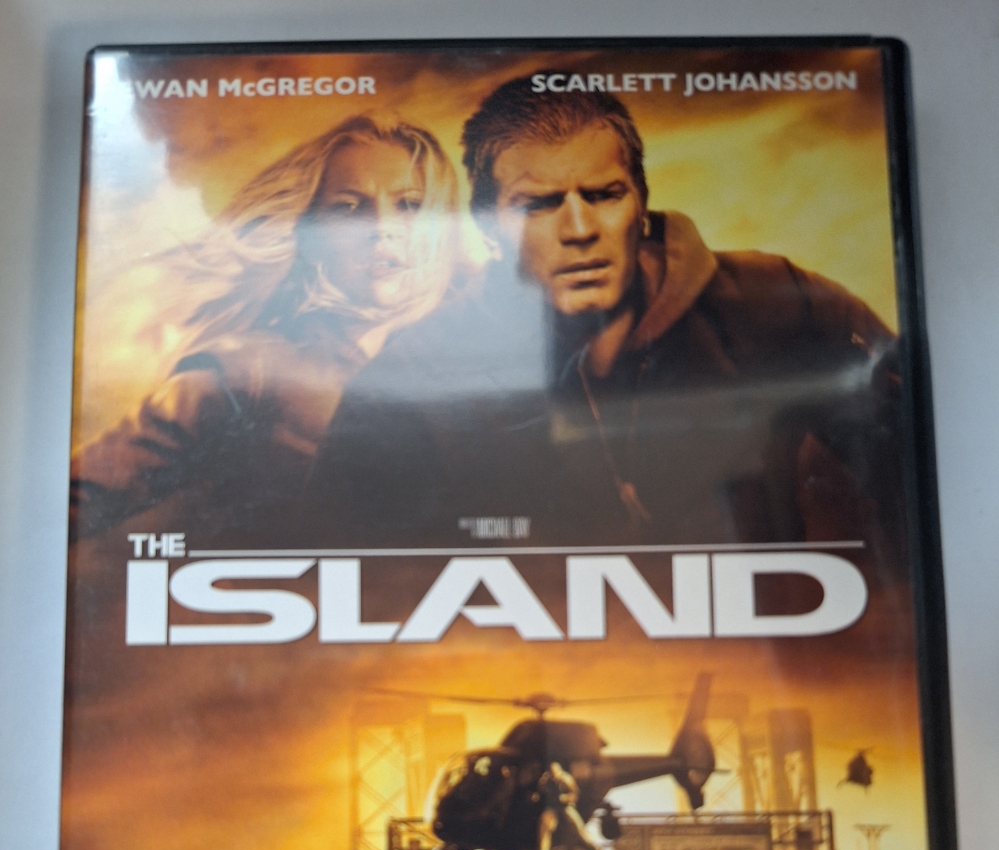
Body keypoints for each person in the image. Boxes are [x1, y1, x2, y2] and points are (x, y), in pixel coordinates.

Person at [310, 78, 904, 570]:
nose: (579, 229)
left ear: (641, 203)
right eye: (537, 205)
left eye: (603, 194)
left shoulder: (781, 303)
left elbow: (920, 479)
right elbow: (340, 577)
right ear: (487, 226)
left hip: (766, 645)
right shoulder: (411, 377)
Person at [70, 115, 468, 545]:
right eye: (347, 208)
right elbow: (67, 505)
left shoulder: (471, 364)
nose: (381, 227)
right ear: (307, 234)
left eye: (410, 205)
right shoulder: (244, 370)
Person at [537, 761, 604, 850]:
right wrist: (542, 784)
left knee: (578, 827)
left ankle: (596, 849)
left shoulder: (567, 779)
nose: (554, 775)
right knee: (544, 825)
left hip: (566, 807)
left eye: (555, 773)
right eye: (551, 773)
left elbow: (575, 795)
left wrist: (565, 798)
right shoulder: (546, 780)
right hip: (552, 807)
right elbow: (542, 792)